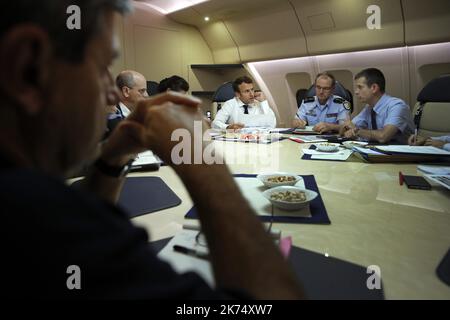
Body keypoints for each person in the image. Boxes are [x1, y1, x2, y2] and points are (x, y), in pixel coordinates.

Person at [0, 0, 302, 299]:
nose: (110, 93)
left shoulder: (29, 198)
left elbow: (83, 225)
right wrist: (198, 157)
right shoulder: (30, 214)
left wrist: (111, 160)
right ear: (28, 69)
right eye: (101, 66)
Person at [340, 68, 414, 144]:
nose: (356, 92)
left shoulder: (397, 106)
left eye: (360, 87)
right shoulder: (369, 108)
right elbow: (350, 127)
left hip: (401, 153)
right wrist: (347, 128)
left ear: (374, 88)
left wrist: (357, 131)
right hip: (381, 150)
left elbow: (383, 136)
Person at [212, 76, 276, 130]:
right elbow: (215, 123)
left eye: (252, 89)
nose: (252, 94)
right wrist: (228, 127)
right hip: (236, 142)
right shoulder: (230, 104)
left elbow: (273, 124)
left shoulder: (260, 104)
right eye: (247, 91)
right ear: (238, 94)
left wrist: (264, 102)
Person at [106, 70, 148, 136]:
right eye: (142, 91)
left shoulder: (146, 112)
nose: (146, 95)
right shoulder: (110, 116)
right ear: (126, 91)